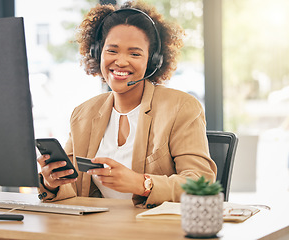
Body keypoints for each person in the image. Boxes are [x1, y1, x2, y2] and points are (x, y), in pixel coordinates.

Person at [37, 1, 217, 208]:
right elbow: (73, 188)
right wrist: (52, 183)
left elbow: (201, 183)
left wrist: (142, 184)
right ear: (98, 53)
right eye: (112, 51)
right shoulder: (83, 114)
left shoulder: (181, 107)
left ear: (152, 60)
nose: (121, 62)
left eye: (134, 53)